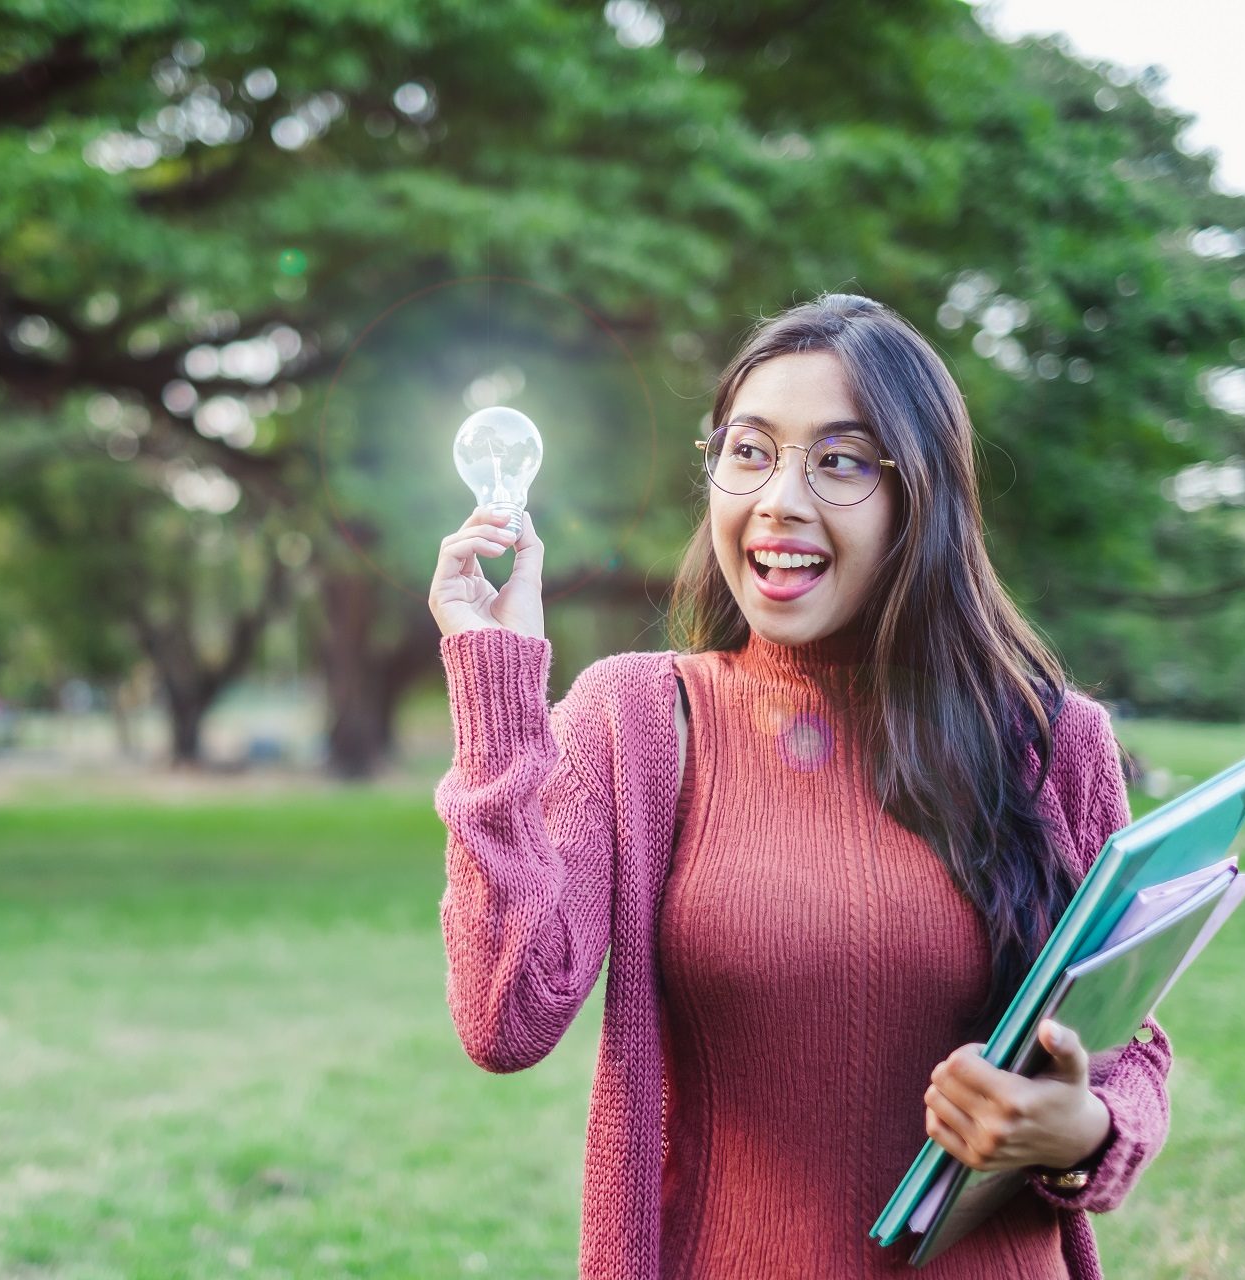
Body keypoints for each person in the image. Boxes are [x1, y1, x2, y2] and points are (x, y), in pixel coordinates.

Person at [425, 293, 1171, 1279]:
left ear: (924, 494)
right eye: (749, 449)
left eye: (842, 461)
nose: (779, 497)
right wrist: (496, 682)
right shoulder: (638, 721)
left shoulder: (1050, 742)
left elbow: (1128, 1047)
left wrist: (1083, 1123)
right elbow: (506, 1014)